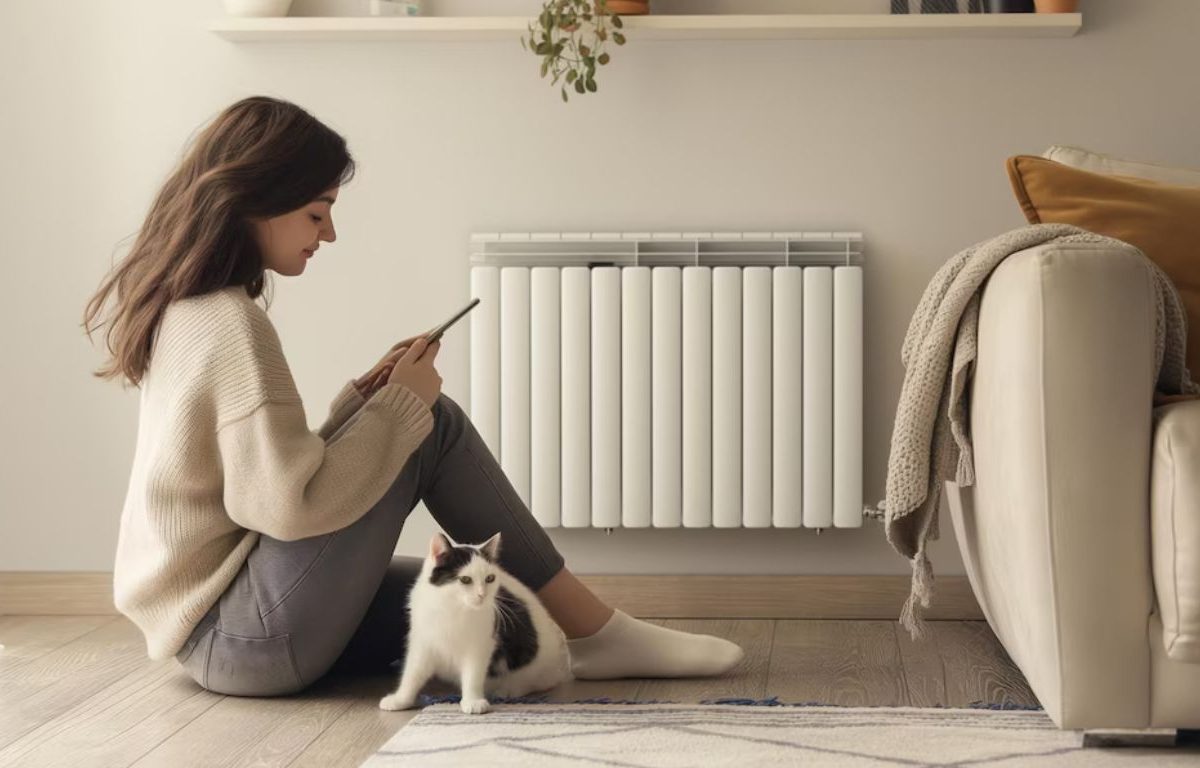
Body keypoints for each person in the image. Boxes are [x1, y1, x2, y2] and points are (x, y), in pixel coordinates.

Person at [82, 95, 745, 697]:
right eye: (318, 213)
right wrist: (402, 408)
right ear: (259, 198)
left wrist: (363, 401)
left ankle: (584, 633)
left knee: (485, 604)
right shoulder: (230, 322)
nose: (329, 235)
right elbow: (287, 506)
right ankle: (600, 634)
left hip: (225, 631)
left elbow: (266, 478)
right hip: (245, 637)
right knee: (433, 420)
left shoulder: (191, 309)